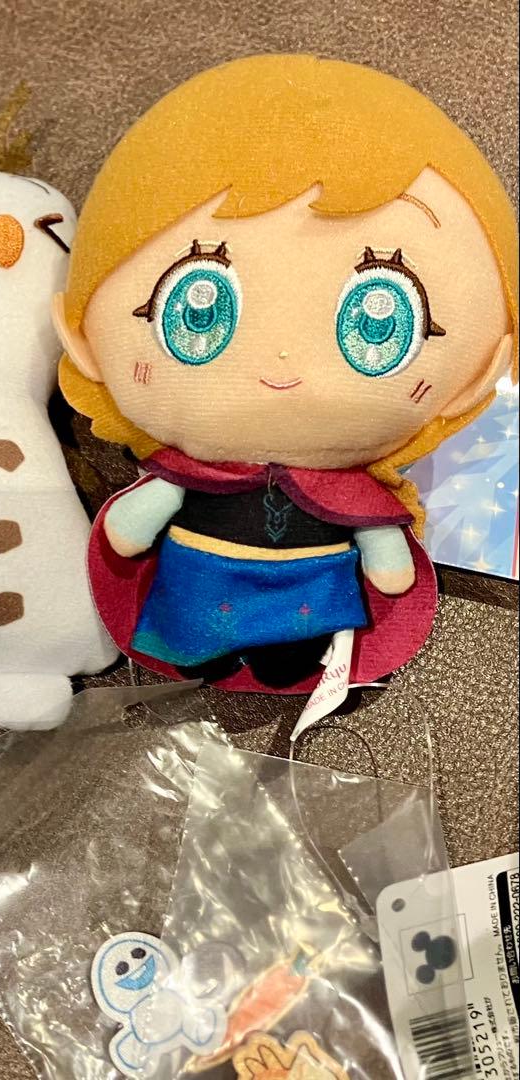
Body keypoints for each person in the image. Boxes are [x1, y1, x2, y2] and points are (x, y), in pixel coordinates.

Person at [54, 55, 517, 691]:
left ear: (483, 369)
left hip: (310, 595)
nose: (282, 365)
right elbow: (131, 529)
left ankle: (285, 654)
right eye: (198, 309)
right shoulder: (186, 472)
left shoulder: (355, 484)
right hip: (199, 586)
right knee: (196, 630)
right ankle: (201, 644)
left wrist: (384, 551)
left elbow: (382, 550)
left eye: (379, 321)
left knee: (293, 650)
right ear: (83, 337)